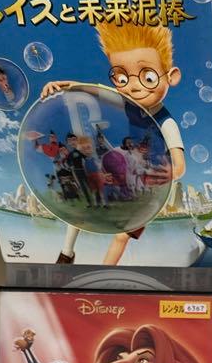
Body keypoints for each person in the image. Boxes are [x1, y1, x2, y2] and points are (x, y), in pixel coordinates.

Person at [41, 21, 185, 264]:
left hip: (148, 187)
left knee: (121, 237)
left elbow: (180, 166)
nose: (133, 87)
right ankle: (67, 253)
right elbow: (92, 90)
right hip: (124, 168)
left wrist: (171, 172)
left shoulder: (166, 122)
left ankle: (105, 273)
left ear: (171, 76)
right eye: (122, 77)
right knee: (85, 199)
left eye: (148, 76)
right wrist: (61, 86)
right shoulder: (126, 101)